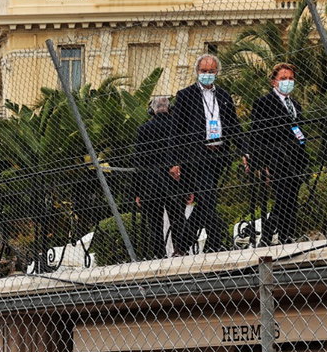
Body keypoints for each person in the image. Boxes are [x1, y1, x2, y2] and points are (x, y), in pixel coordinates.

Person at [167, 53, 244, 253]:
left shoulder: (224, 96)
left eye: (211, 71)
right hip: (197, 155)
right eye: (203, 71)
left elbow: (234, 126)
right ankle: (216, 242)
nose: (207, 74)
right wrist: (174, 161)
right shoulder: (185, 95)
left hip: (219, 155)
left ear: (217, 72)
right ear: (197, 72)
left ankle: (182, 244)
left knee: (205, 201)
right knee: (207, 196)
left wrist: (244, 150)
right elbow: (176, 130)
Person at [248, 62, 309, 246]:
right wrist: (261, 163)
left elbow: (299, 129)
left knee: (291, 198)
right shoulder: (264, 103)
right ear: (274, 81)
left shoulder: (295, 104)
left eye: (290, 78)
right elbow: (257, 133)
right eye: (283, 78)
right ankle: (271, 235)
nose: (287, 82)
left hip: (296, 157)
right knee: (283, 196)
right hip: (276, 157)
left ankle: (285, 234)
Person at [130, 95, 178, 259]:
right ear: (169, 108)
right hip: (174, 181)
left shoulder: (144, 130)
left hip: (151, 182)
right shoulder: (177, 127)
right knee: (177, 218)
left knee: (155, 222)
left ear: (152, 110)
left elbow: (139, 161)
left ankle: (159, 254)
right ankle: (180, 250)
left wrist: (137, 191)